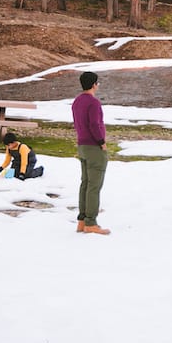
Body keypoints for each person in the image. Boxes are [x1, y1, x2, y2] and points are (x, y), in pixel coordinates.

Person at [72, 71, 110, 235]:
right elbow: (94, 124)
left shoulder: (77, 101)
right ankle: (90, 222)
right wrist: (102, 142)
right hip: (94, 147)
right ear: (94, 84)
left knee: (85, 184)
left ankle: (82, 220)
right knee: (94, 186)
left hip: (82, 146)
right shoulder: (93, 103)